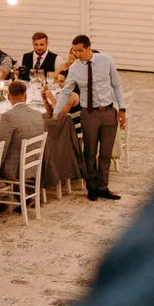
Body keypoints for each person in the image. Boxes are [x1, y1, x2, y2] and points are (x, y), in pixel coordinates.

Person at [54, 34, 127, 200]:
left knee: (106, 153)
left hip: (108, 111)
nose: (77, 54)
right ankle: (92, 187)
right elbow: (66, 91)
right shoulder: (74, 69)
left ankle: (103, 186)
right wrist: (56, 112)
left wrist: (122, 109)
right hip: (89, 113)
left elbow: (116, 84)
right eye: (75, 51)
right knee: (90, 152)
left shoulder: (106, 61)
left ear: (88, 48)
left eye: (80, 50)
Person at [0, 80, 48, 180]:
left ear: (8, 97)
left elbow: (2, 148)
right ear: (26, 96)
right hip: (35, 165)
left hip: (15, 169)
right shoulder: (37, 114)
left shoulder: (8, 117)